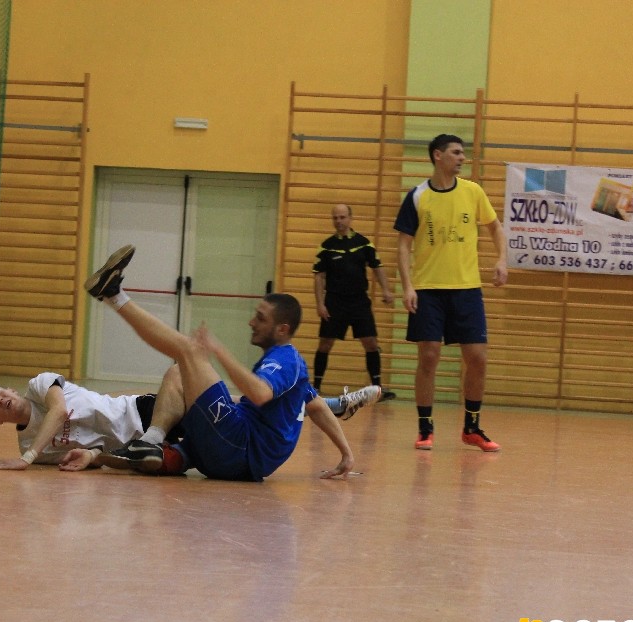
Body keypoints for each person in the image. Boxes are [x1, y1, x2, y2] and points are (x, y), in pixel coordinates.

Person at [84, 245, 356, 481]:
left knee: (190, 352)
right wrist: (346, 454)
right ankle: (149, 446)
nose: (251, 322)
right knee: (179, 375)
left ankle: (114, 295)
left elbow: (260, 393)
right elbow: (316, 406)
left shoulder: (286, 358)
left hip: (239, 446)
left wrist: (219, 351)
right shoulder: (293, 370)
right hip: (230, 457)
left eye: (261, 318)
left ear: (282, 329)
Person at [0, 366, 380, 472]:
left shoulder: (38, 385)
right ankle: (333, 405)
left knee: (240, 409)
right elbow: (75, 454)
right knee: (237, 413)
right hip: (135, 454)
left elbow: (60, 410)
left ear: (9, 389)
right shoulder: (27, 443)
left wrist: (27, 460)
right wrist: (92, 459)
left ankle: (331, 404)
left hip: (143, 414)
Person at [393, 134, 508, 453]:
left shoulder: (473, 191)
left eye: (463, 153)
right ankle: (425, 428)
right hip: (428, 290)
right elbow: (403, 245)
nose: (462, 158)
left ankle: (472, 427)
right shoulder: (417, 196)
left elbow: (495, 227)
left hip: (466, 289)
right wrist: (407, 285)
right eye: (456, 153)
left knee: (478, 358)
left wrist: (501, 259)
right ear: (438, 155)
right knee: (429, 356)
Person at [312, 203, 395, 399]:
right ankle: (315, 387)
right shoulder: (326, 246)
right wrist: (320, 304)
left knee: (371, 343)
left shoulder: (364, 244)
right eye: (335, 218)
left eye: (342, 217)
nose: (339, 221)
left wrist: (386, 289)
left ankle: (377, 389)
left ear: (350, 218)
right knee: (325, 344)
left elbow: (377, 267)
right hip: (334, 302)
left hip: (359, 301)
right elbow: (319, 276)